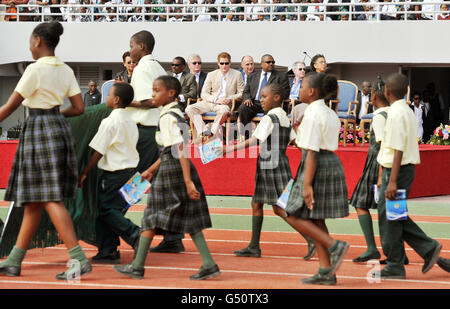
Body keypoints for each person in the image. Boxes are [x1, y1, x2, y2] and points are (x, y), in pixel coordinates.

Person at [0, 21, 91, 280]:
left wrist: (44, 115)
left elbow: (9, 107)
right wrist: (55, 113)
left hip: (38, 129)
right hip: (58, 127)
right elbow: (78, 108)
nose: (29, 46)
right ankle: (15, 261)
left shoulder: (34, 70)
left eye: (30, 41)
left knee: (49, 197)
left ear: (38, 41)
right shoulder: (66, 70)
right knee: (33, 201)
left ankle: (78, 258)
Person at [114, 76, 220, 280]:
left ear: (171, 93)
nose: (153, 94)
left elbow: (179, 148)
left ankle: (137, 266)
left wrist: (188, 181)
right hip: (176, 168)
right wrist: (152, 169)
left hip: (172, 172)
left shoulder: (167, 117)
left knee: (151, 216)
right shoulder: (173, 113)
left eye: (156, 90)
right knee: (189, 217)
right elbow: (169, 150)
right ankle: (208, 263)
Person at [225, 83, 314, 260]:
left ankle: (312, 239)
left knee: (280, 208)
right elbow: (295, 141)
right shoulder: (284, 118)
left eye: (264, 97)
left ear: (277, 98)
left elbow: (254, 141)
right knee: (257, 204)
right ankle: (253, 246)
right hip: (281, 162)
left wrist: (226, 150)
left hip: (268, 165)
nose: (261, 101)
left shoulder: (269, 118)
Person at [285, 72, 350, 285]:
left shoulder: (313, 113)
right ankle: (325, 271)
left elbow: (311, 151)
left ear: (311, 91)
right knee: (316, 218)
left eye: (302, 86)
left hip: (316, 164)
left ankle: (334, 245)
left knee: (293, 213)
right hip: (329, 161)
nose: (299, 89)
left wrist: (306, 185)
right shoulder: (328, 112)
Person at [376, 73, 442, 279]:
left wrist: (392, 180)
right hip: (401, 169)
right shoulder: (406, 111)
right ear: (406, 91)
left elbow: (397, 149)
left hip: (398, 170)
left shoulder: (396, 114)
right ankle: (428, 249)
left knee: (391, 218)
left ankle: (396, 264)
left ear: (387, 91)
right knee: (395, 215)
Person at [78, 82, 141, 264]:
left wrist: (84, 172)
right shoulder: (131, 120)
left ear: (116, 100)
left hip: (114, 173)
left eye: (108, 95)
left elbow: (98, 150)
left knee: (106, 210)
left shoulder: (110, 121)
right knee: (108, 209)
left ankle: (135, 235)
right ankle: (108, 250)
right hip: (131, 172)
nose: (104, 98)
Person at [350, 83, 389, 263]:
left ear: (373, 98)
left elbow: (382, 145)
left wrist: (381, 174)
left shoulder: (379, 116)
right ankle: (397, 253)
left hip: (377, 163)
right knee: (394, 210)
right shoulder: (395, 114)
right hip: (393, 164)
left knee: (359, 202)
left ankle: (372, 248)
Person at [126, 30, 166, 175]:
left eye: (131, 46)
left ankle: (126, 198)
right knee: (153, 174)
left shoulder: (142, 68)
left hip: (146, 130)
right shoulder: (157, 66)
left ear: (142, 46)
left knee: (138, 175)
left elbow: (151, 101)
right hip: (158, 128)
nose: (130, 51)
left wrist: (126, 102)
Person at [186, 52, 244, 140]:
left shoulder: (237, 74)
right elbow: (204, 93)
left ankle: (211, 133)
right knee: (189, 109)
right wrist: (215, 100)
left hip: (224, 104)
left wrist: (229, 99)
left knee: (224, 111)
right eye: (222, 63)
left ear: (230, 63)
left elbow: (242, 93)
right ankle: (205, 131)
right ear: (218, 63)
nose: (224, 66)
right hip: (210, 102)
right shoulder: (211, 74)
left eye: (226, 63)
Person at [238, 54, 290, 139]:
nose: (271, 64)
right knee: (243, 108)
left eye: (273, 62)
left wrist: (273, 99)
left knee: (270, 112)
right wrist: (247, 98)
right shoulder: (253, 76)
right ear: (261, 64)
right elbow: (246, 91)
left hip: (271, 104)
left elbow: (285, 91)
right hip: (255, 103)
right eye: (268, 62)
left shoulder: (281, 76)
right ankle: (248, 136)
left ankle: (264, 137)